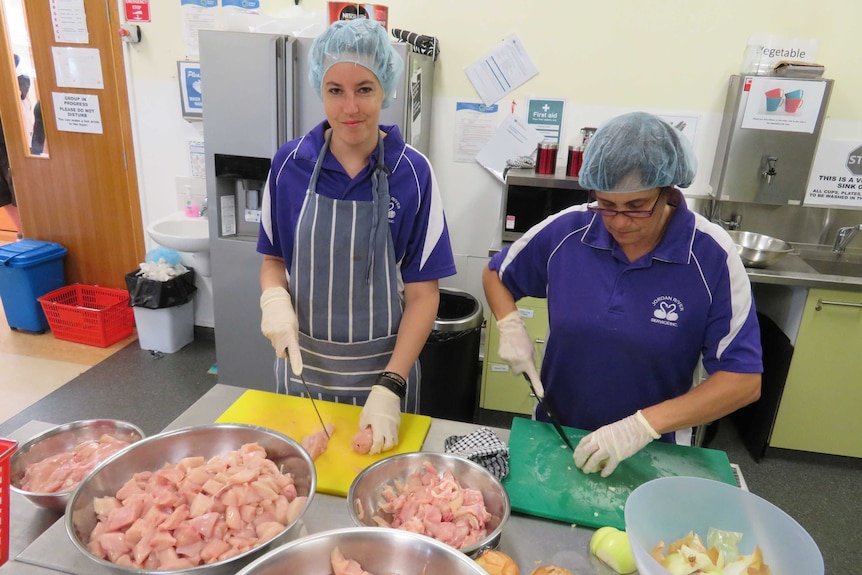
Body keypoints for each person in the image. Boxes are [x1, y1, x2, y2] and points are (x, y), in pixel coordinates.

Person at [483, 111, 762, 477]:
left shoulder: (711, 256)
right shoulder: (570, 231)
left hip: (654, 451)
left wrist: (641, 426)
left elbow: (743, 381)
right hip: (557, 436)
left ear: (668, 192)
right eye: (607, 204)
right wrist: (511, 327)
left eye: (636, 207)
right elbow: (496, 275)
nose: (618, 222)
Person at [257, 18, 456, 455]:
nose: (350, 107)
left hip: (385, 373)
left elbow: (424, 296)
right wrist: (274, 302)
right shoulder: (288, 166)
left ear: (385, 87)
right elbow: (273, 260)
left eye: (364, 89)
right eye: (335, 90)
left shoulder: (413, 173)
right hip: (302, 372)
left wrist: (391, 383)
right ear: (320, 90)